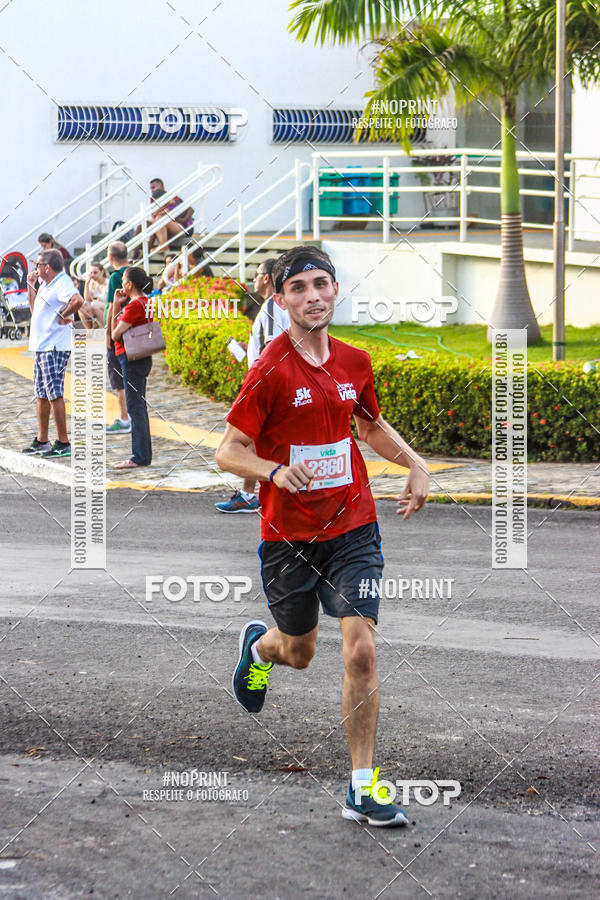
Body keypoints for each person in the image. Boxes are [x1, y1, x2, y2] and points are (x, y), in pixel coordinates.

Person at [216, 245, 429, 827]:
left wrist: (415, 463)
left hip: (354, 524)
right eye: (299, 288)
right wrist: (274, 471)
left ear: (335, 290)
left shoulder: (355, 361)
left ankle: (363, 787)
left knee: (360, 648)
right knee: (301, 652)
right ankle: (260, 649)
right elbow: (227, 452)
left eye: (322, 284)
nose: (313, 296)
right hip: (288, 535)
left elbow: (369, 423)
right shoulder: (270, 370)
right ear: (281, 299)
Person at [215, 257, 289, 514]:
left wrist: (259, 383)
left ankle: (254, 494)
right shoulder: (279, 305)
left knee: (243, 441)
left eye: (257, 274)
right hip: (271, 381)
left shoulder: (271, 306)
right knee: (256, 439)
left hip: (264, 384)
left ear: (267, 277)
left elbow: (271, 347)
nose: (254, 279)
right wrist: (248, 351)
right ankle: (249, 494)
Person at [22, 249, 83, 458]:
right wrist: (31, 287)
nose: (36, 268)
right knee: (41, 394)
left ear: (47, 267)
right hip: (42, 346)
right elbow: (35, 312)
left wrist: (62, 314)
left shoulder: (62, 282)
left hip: (54, 347)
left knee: (54, 393)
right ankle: (42, 439)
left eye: (38, 264)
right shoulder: (47, 285)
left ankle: (63, 441)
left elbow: (78, 300)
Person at [110, 266, 154, 469]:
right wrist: (119, 304)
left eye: (123, 282)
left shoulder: (134, 306)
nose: (121, 286)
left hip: (131, 359)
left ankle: (139, 456)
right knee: (139, 407)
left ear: (129, 284)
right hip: (141, 357)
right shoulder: (146, 302)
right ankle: (143, 455)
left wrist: (117, 306)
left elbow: (114, 334)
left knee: (135, 407)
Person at [104, 242, 131, 434]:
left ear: (110, 257)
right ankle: (132, 416)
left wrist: (107, 332)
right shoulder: (135, 272)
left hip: (118, 329)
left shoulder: (115, 277)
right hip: (132, 328)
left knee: (117, 376)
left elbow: (112, 306)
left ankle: (124, 417)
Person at [149, 177, 194, 249]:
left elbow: (190, 209)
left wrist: (183, 220)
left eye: (154, 187)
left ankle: (163, 246)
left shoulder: (172, 198)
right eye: (151, 188)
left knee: (159, 218)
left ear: (162, 186)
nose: (152, 190)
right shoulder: (154, 198)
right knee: (149, 223)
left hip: (183, 228)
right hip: (169, 227)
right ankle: (142, 252)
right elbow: (153, 215)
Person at [79, 262, 107, 328]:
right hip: (95, 308)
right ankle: (89, 330)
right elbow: (87, 300)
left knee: (94, 305)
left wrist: (98, 300)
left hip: (108, 308)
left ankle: (104, 329)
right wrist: (87, 284)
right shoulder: (93, 284)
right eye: (91, 273)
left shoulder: (108, 282)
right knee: (81, 307)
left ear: (102, 272)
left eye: (95, 272)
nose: (92, 275)